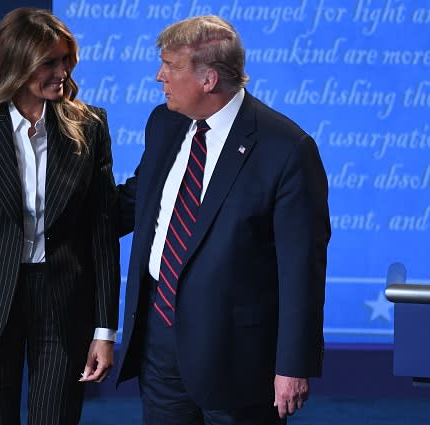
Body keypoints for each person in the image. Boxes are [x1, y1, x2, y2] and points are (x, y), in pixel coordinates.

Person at [115, 15, 330, 425]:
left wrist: (292, 365)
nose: (159, 76)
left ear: (209, 79)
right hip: (160, 343)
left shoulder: (285, 148)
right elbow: (135, 201)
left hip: (238, 357)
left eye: (171, 66)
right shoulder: (164, 123)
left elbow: (302, 269)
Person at [0, 7, 120, 425]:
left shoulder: (90, 126)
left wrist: (105, 332)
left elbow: (102, 236)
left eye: (66, 61)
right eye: (49, 62)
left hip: (64, 306)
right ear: (17, 63)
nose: (62, 73)